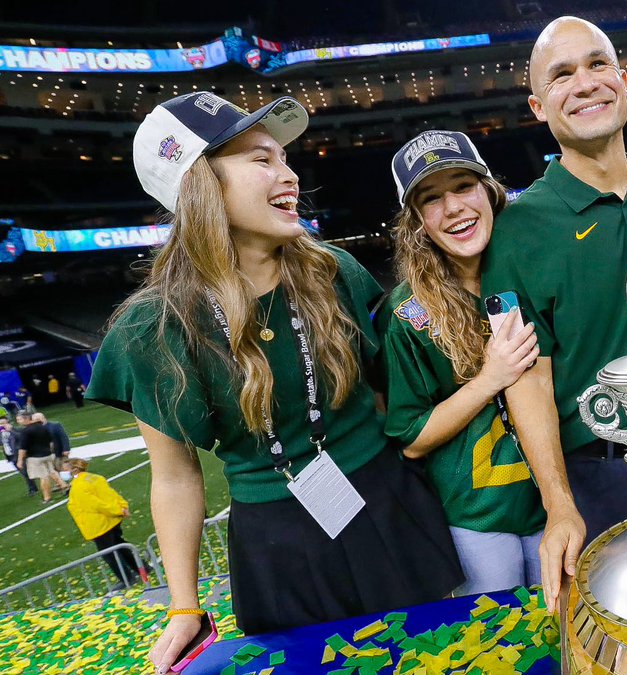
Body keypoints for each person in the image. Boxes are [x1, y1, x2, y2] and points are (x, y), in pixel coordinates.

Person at [85, 91, 462, 672]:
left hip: (392, 505)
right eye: (261, 160)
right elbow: (176, 476)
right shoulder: (151, 328)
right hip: (277, 546)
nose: (288, 175)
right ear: (199, 187)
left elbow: (393, 398)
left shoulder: (339, 271)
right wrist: (183, 606)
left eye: (283, 158)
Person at [480, 16, 627, 607]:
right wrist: (559, 506)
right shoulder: (515, 230)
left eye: (597, 64)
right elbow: (528, 375)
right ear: (537, 106)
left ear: (624, 81)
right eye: (561, 75)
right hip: (600, 477)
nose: (584, 83)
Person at [381, 131, 546, 595]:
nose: (452, 207)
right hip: (477, 519)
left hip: (556, 500)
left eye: (463, 186)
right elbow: (410, 439)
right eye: (431, 198)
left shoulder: (535, 277)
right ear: (415, 222)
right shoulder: (408, 313)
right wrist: (489, 380)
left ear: (490, 192)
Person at [64, 458, 141, 589]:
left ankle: (126, 578)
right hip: (111, 520)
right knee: (120, 545)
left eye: (64, 469)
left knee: (109, 554)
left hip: (98, 524)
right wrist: (122, 507)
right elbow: (111, 494)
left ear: (73, 470)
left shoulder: (79, 486)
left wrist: (117, 510)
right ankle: (141, 567)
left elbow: (96, 505)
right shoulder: (94, 477)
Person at [16, 410, 67, 503]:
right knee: (52, 471)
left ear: (26, 419)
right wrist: (49, 451)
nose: (18, 422)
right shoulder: (42, 427)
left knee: (43, 477)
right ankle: (64, 485)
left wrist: (19, 460)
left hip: (35, 458)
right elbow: (51, 442)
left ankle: (47, 498)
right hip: (48, 454)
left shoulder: (26, 431)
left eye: (19, 419)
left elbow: (22, 448)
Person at [1, 416, 37, 496]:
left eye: (4, 423)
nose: (2, 425)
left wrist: (11, 431)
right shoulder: (1, 433)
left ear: (8, 423)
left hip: (19, 454)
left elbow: (22, 438)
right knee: (23, 472)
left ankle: (32, 489)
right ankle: (33, 488)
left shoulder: (15, 429)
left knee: (25, 472)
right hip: (10, 456)